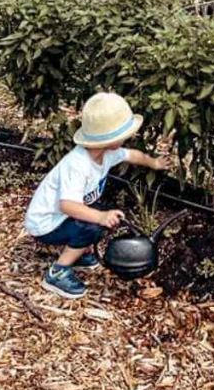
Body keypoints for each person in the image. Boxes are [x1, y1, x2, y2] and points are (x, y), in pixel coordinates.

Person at [25, 92, 169, 299]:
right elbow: (67, 205)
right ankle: (57, 272)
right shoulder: (78, 165)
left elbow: (132, 155)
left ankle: (79, 252)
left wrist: (154, 163)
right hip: (45, 225)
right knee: (94, 224)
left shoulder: (106, 154)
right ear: (112, 139)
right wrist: (100, 217)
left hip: (61, 217)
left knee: (100, 214)